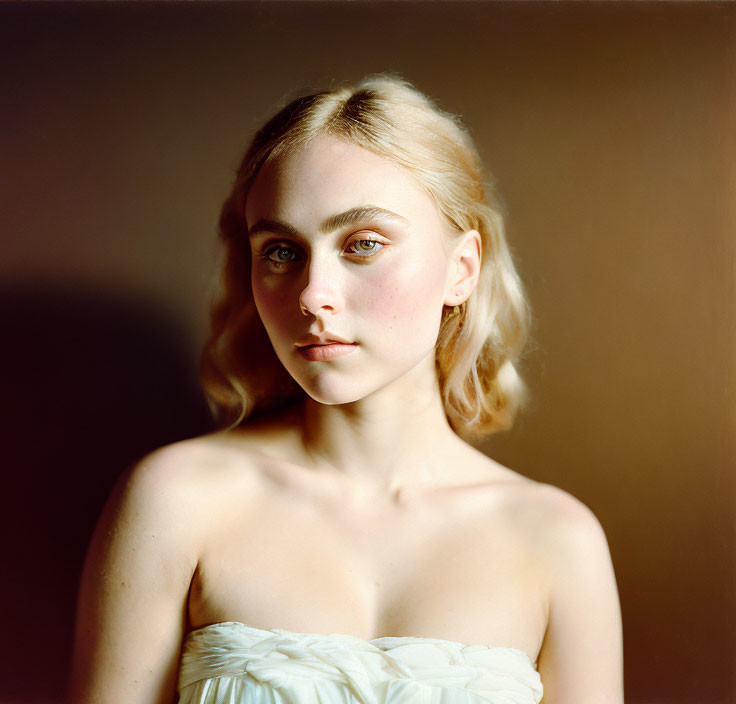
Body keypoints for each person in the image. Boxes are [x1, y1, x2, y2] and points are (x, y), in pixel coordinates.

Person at [68, 75, 623, 704]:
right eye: (280, 252)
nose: (311, 296)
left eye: (363, 244)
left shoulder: (555, 540)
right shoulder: (176, 502)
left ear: (461, 269)